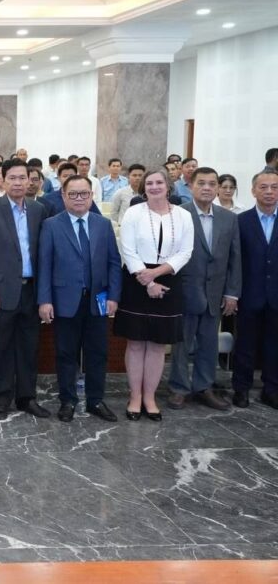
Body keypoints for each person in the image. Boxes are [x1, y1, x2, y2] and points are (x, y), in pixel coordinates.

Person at [37, 175, 122, 423]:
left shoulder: (103, 224)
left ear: (92, 195)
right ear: (63, 196)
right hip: (64, 300)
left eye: (84, 193)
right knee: (66, 354)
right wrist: (45, 300)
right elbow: (45, 265)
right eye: (72, 194)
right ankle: (68, 400)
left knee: (98, 353)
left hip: (97, 301)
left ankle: (96, 400)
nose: (78, 198)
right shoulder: (51, 225)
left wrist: (114, 296)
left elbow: (114, 263)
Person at [115, 167, 194, 422]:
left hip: (169, 278)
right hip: (136, 278)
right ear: (143, 188)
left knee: (158, 344)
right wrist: (147, 280)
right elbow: (128, 249)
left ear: (168, 186)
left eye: (159, 182)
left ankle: (150, 397)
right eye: (149, 183)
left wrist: (156, 274)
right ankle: (135, 396)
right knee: (136, 342)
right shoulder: (134, 212)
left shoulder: (183, 215)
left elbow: (185, 252)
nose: (154, 187)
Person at [0, 158, 48, 420]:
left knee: (29, 347)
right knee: (0, 347)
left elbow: (43, 254)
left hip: (31, 290)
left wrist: (44, 295)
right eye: (12, 178)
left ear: (30, 181)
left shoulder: (39, 210)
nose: (18, 183)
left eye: (22, 178)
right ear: (2, 181)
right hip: (1, 292)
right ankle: (0, 398)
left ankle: (26, 397)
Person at [167, 167, 241, 411]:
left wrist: (232, 292)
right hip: (185, 289)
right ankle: (178, 388)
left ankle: (204, 387)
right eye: (201, 183)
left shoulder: (229, 218)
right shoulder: (178, 214)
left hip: (215, 292)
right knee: (182, 343)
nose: (207, 188)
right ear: (191, 186)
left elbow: (235, 258)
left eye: (212, 183)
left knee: (209, 343)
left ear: (218, 188)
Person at [231, 169, 278, 409]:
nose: (269, 192)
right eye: (263, 187)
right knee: (245, 344)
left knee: (274, 345)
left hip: (276, 295)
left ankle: (272, 389)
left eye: (274, 187)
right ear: (253, 191)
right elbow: (234, 260)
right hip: (249, 293)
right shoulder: (241, 221)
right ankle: (241, 388)